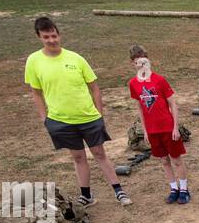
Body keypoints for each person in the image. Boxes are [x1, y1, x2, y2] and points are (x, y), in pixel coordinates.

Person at [24, 16, 131, 208]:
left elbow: (95, 88)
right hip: (61, 120)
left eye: (54, 35)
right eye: (46, 37)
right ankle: (86, 195)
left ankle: (119, 191)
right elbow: (36, 93)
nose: (51, 40)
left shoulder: (76, 58)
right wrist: (44, 119)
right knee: (78, 157)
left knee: (99, 153)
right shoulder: (34, 61)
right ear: (39, 37)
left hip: (88, 117)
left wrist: (99, 115)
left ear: (59, 34)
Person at [127, 45, 190, 205]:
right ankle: (173, 189)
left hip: (167, 127)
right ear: (133, 64)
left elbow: (173, 104)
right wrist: (145, 131)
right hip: (152, 130)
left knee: (176, 159)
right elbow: (140, 108)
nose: (140, 65)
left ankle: (184, 189)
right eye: (137, 62)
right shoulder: (133, 83)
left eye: (143, 62)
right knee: (163, 161)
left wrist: (175, 127)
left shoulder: (159, 80)